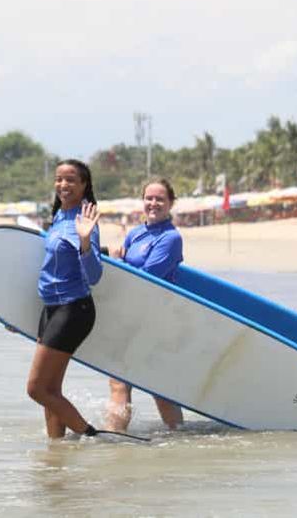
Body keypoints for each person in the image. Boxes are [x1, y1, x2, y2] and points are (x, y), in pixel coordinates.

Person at [27, 159, 146, 442]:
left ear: (83, 186)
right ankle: (56, 454)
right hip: (52, 308)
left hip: (73, 309)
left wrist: (85, 241)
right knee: (51, 391)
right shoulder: (58, 217)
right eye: (59, 179)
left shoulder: (84, 220)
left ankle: (92, 436)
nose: (63, 185)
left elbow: (93, 276)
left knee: (37, 389)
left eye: (70, 180)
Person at [105, 178, 184, 432]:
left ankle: (117, 438)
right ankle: (118, 437)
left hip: (154, 319)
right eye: (149, 198)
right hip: (130, 316)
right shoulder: (136, 233)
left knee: (157, 389)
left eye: (160, 199)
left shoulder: (171, 238)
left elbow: (147, 277)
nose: (153, 203)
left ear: (171, 203)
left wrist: (118, 261)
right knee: (120, 382)